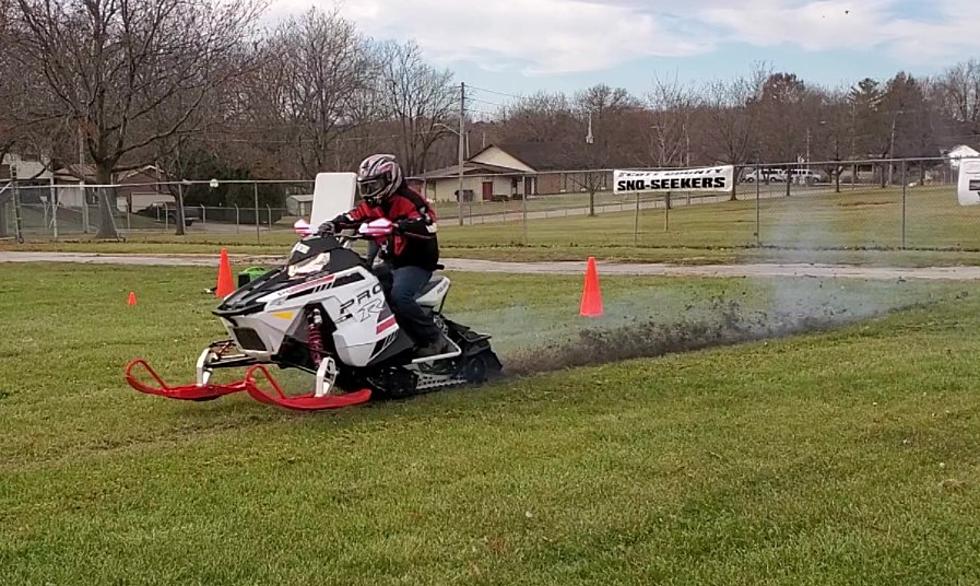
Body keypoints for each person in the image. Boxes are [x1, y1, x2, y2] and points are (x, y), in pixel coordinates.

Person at [320, 154, 449, 357]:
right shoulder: (373, 204)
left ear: (390, 180)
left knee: (400, 297)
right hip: (391, 262)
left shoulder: (409, 200)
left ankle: (434, 338)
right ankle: (378, 341)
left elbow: (428, 225)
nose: (370, 192)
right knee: (360, 287)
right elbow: (353, 216)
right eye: (366, 187)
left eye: (374, 185)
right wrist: (332, 224)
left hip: (416, 263)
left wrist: (398, 226)